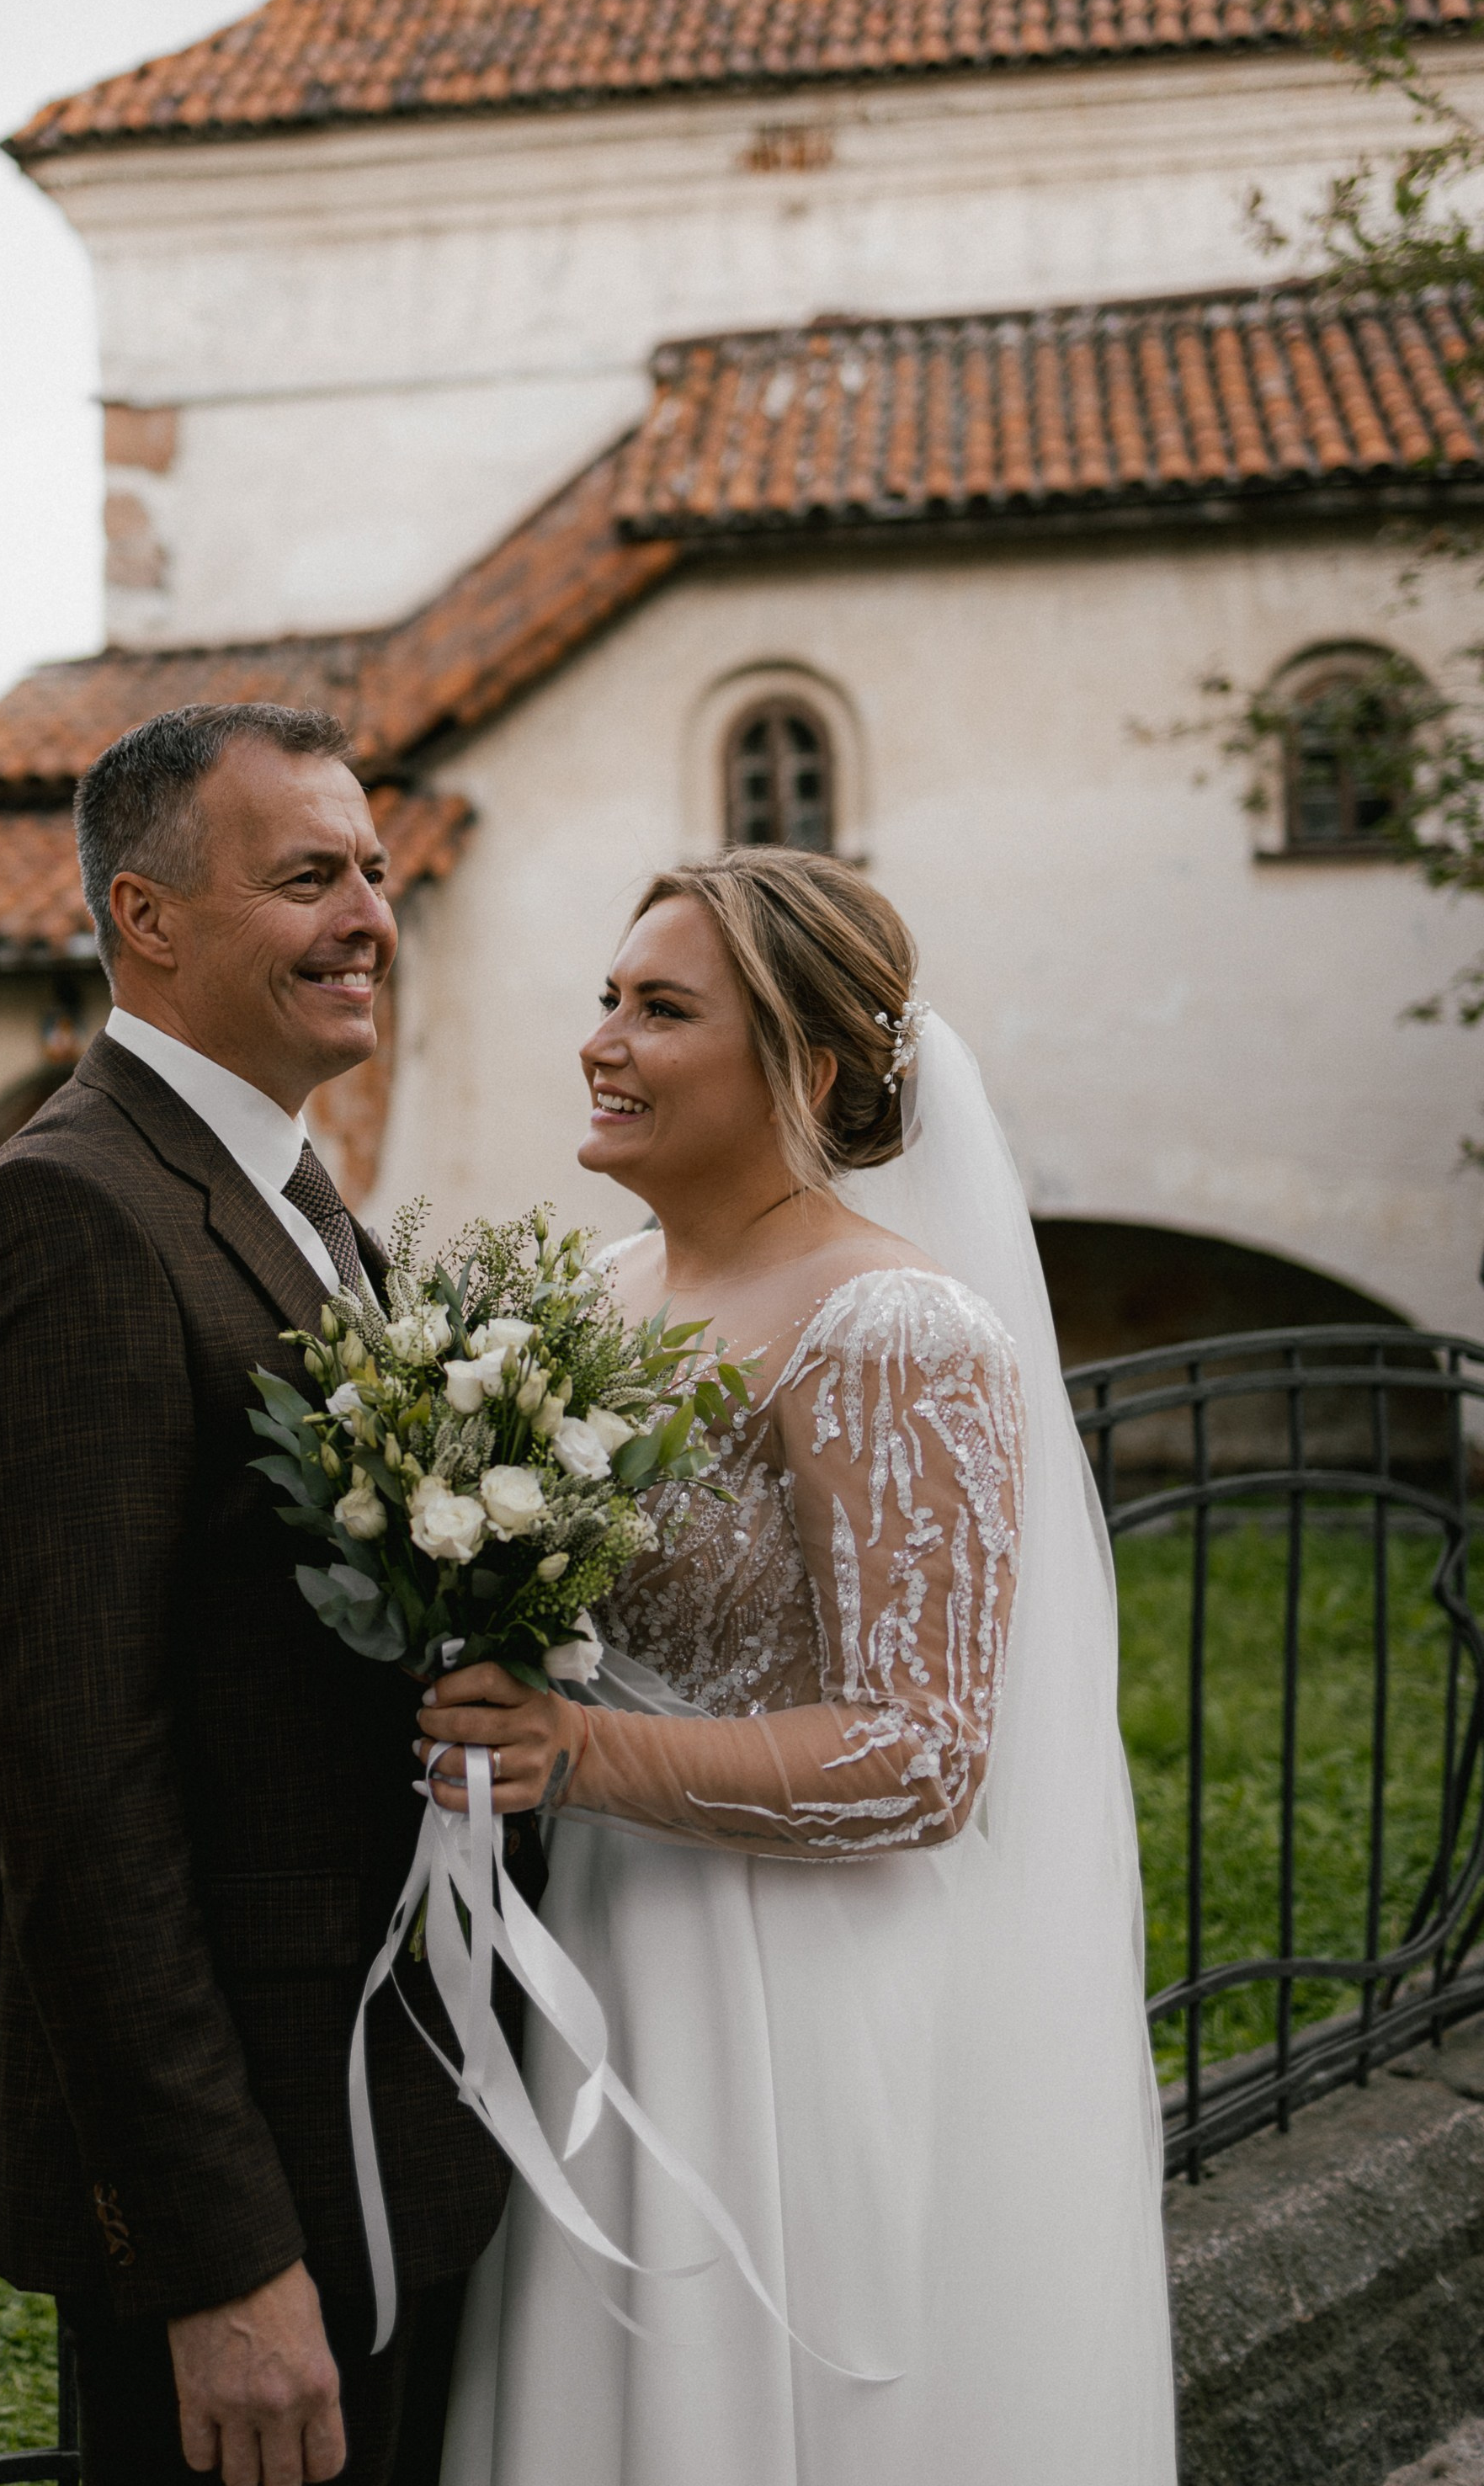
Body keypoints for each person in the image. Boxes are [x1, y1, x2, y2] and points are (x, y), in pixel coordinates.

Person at [422, 849, 1178, 2486]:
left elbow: (925, 1757)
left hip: (781, 1995)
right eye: (608, 999)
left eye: (662, 1009)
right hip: (596, 1942)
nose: (602, 1042)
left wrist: (583, 1753)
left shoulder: (898, 1329)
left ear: (811, 1070)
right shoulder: (605, 1290)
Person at [0, 703, 527, 2486]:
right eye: (309, 877)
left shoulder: (285, 1190)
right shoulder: (69, 1220)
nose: (370, 918)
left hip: (376, 2119)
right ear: (149, 916)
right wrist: (219, 2261)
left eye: (375, 874)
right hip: (251, 2179)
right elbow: (71, 1789)